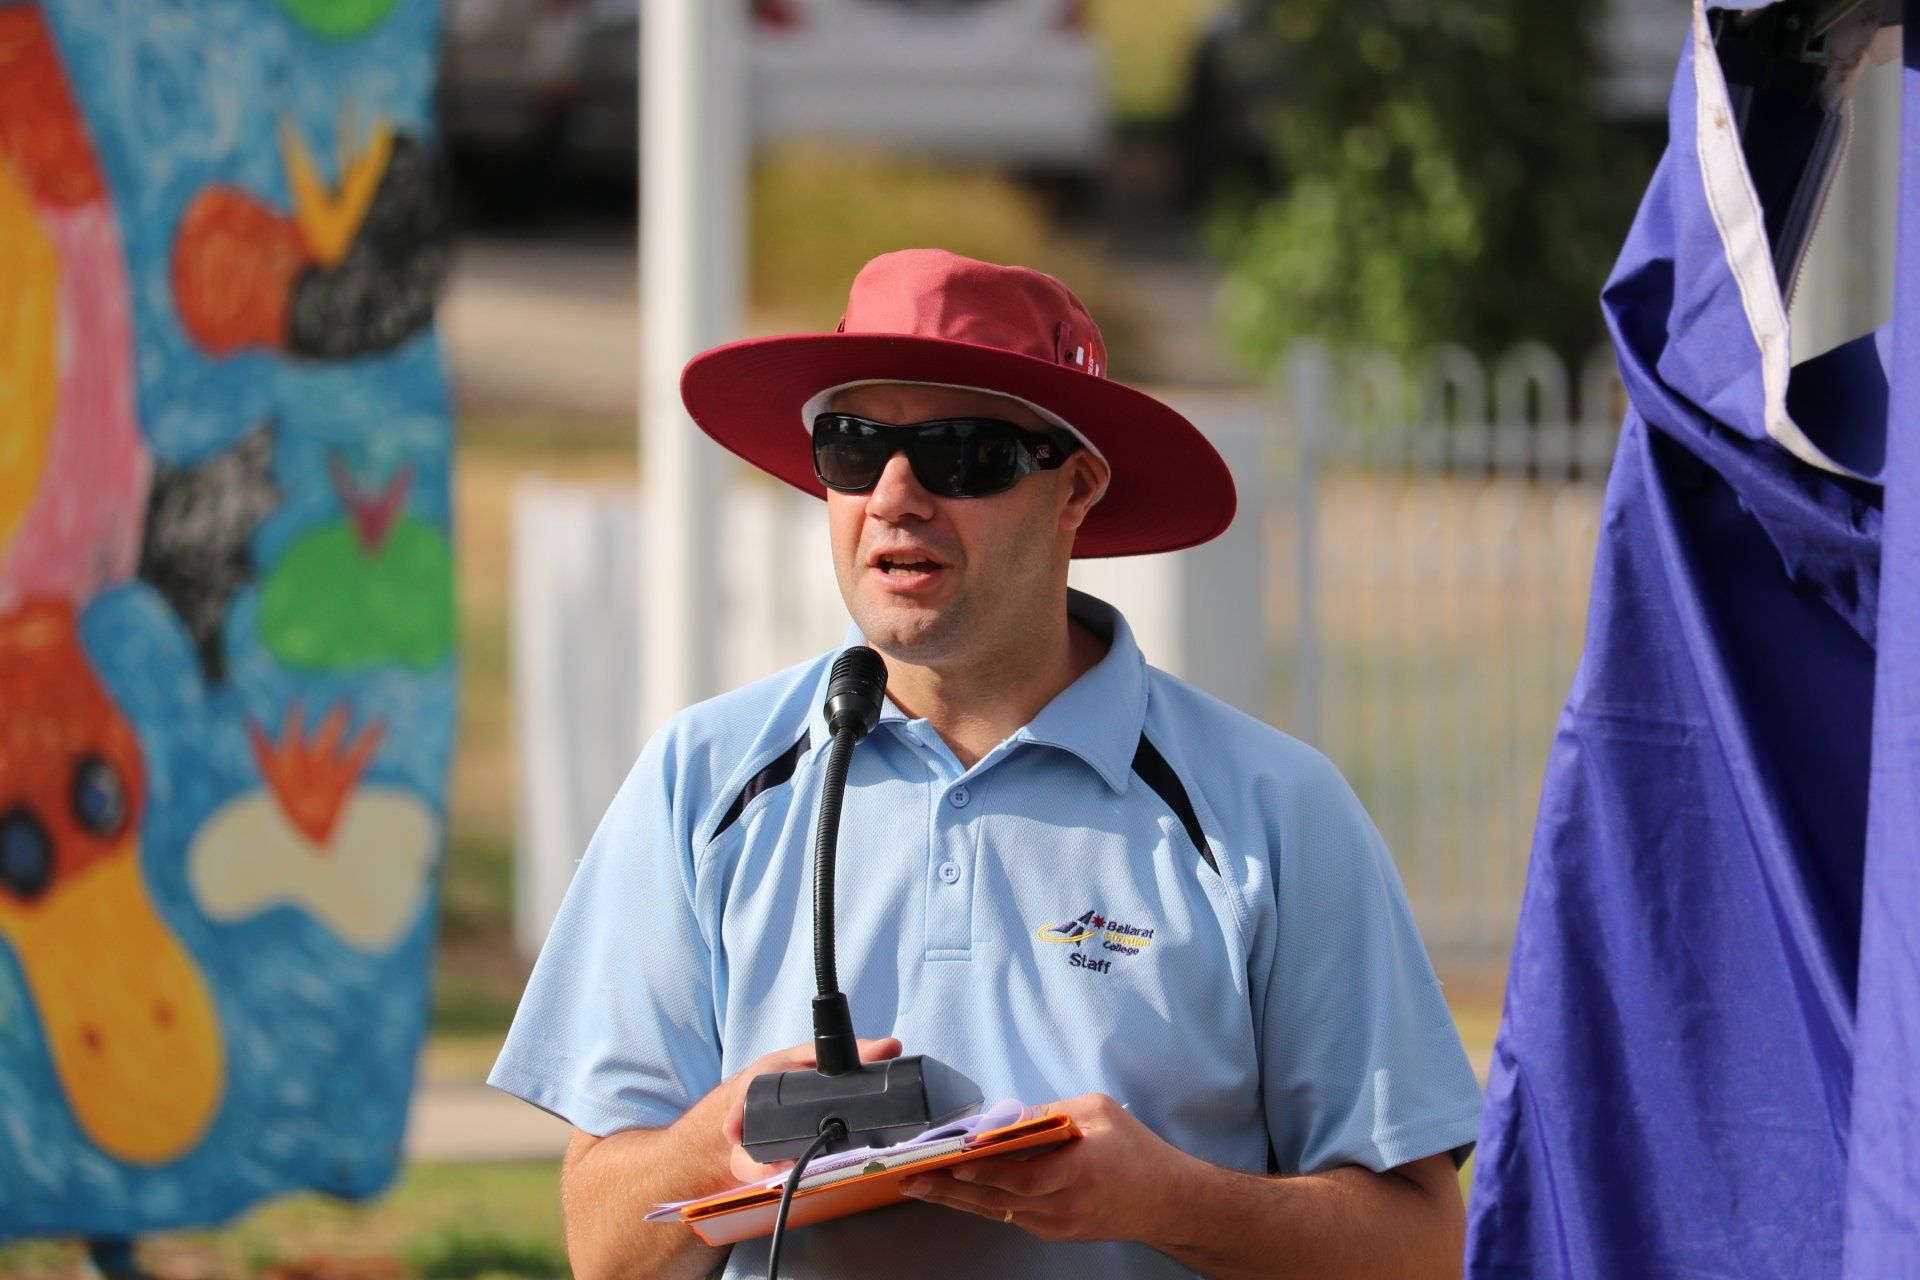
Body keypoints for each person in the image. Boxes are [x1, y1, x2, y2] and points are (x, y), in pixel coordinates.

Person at [488, 249, 1483, 1279]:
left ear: (1078, 489)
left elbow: (1418, 1245)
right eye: (854, 445)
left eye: (962, 453)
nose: (896, 494)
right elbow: (601, 1247)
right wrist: (717, 1142)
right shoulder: (701, 779)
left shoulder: (1271, 808)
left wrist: (1166, 1198)